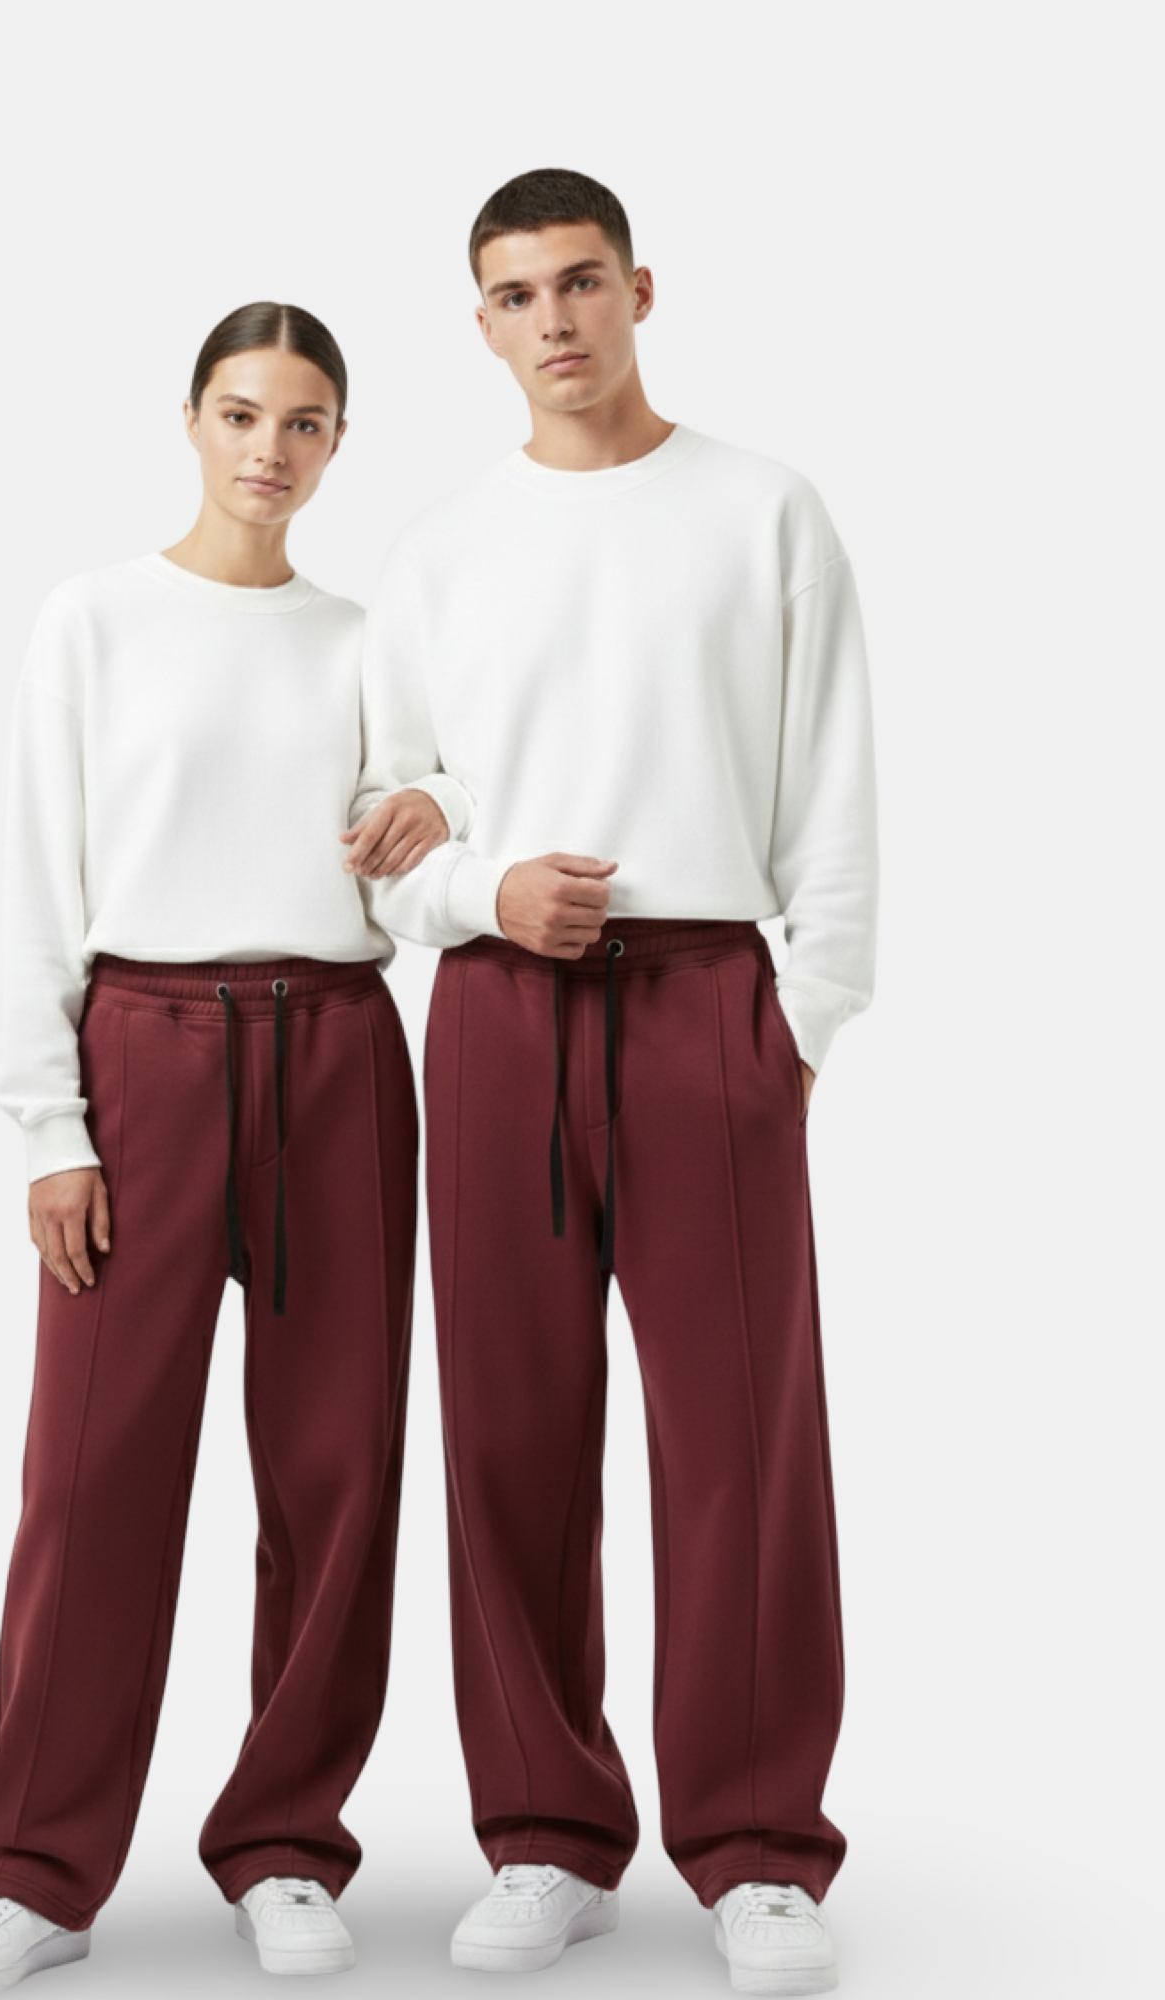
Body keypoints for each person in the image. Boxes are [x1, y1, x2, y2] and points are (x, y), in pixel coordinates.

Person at [347, 168, 879, 1994]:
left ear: (641, 291)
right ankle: (548, 1835)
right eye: (516, 295)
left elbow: (833, 779)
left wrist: (803, 1018)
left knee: (742, 1437)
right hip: (500, 1009)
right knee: (509, 1428)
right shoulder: (443, 553)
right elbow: (383, 821)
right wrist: (480, 892)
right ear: (480, 324)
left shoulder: (763, 511)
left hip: (712, 1005)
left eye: (581, 282)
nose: (554, 320)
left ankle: (758, 1848)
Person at [0, 301, 470, 1993]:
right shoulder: (92, 619)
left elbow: (424, 826)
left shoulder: (367, 638)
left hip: (339, 1057)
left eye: (303, 423)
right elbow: (36, 879)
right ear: (190, 419)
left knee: (335, 1473)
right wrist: (49, 1128)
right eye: (241, 413)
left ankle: (287, 1844)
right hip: (141, 1060)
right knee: (93, 1478)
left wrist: (442, 811)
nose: (267, 451)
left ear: (338, 444)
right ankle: (33, 1870)